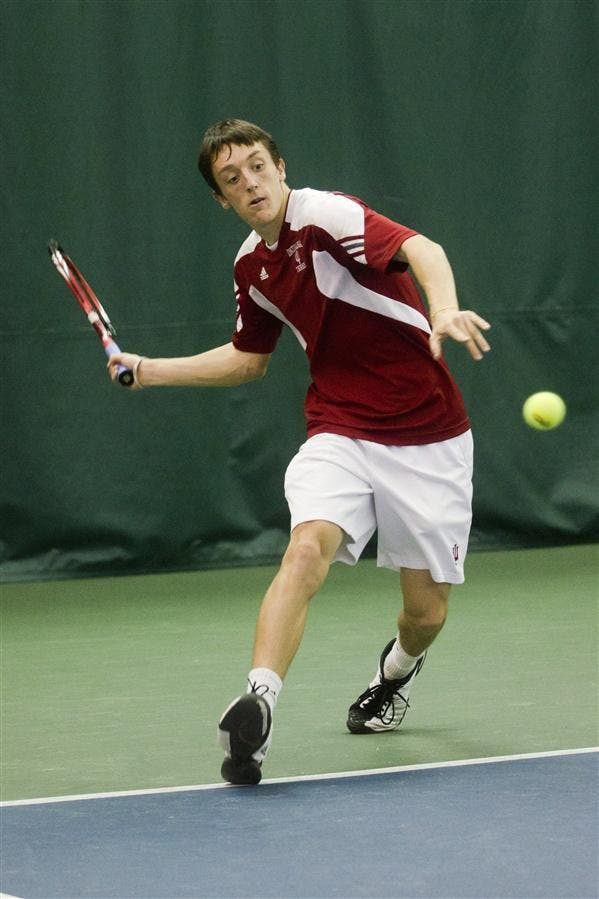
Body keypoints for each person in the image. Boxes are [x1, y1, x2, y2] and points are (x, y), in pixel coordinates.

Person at [108, 119, 491, 786]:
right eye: (232, 179)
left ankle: (391, 673)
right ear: (220, 200)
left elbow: (421, 248)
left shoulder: (324, 216)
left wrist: (443, 310)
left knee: (425, 613)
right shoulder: (250, 267)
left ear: (278, 166)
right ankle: (258, 705)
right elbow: (249, 359)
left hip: (428, 433)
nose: (249, 182)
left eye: (256, 166)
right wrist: (148, 369)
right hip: (339, 425)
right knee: (306, 546)